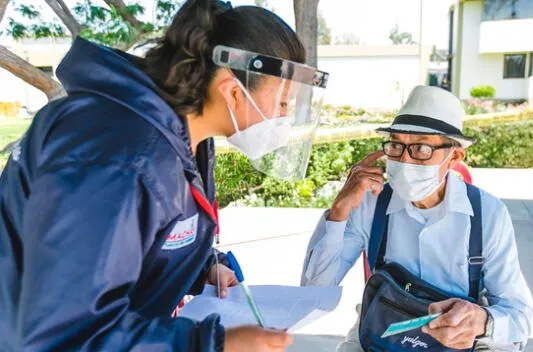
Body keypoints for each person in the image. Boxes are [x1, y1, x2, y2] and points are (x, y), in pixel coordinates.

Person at [0, 0, 328, 351]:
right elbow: (65, 334)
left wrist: (202, 266)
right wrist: (213, 344)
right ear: (233, 92)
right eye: (281, 103)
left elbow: (135, 234)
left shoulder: (182, 138)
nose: (284, 116)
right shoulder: (117, 153)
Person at [301, 86, 533, 351]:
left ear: (453, 156)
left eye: (421, 148)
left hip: (460, 338)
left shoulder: (487, 214)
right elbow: (313, 292)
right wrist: (339, 210)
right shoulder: (371, 204)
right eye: (396, 145)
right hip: (385, 325)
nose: (404, 160)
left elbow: (518, 318)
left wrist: (481, 322)